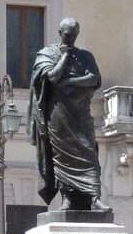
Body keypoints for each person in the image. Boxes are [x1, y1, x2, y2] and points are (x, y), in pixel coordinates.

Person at [28, 17, 110, 211]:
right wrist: (65, 56)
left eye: (74, 35)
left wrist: (69, 82)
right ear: (60, 33)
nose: (71, 39)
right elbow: (53, 76)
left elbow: (94, 79)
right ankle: (67, 199)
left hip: (81, 113)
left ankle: (94, 198)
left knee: (88, 152)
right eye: (67, 35)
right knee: (60, 156)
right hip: (57, 114)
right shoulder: (46, 54)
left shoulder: (85, 56)